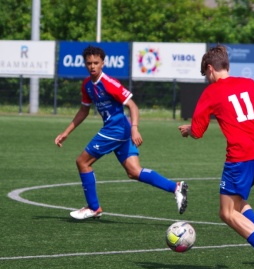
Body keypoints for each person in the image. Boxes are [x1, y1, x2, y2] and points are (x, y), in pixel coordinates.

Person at [178, 45, 254, 269]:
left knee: (227, 213)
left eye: (205, 75)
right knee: (238, 203)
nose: (207, 80)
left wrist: (189, 130)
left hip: (239, 156)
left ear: (210, 68)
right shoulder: (248, 83)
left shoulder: (211, 92)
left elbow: (198, 132)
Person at [55, 45, 188, 220]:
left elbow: (132, 106)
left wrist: (134, 129)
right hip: (118, 129)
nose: (92, 66)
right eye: (89, 63)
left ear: (103, 63)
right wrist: (66, 132)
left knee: (82, 162)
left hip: (117, 129)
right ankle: (176, 187)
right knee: (134, 171)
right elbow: (83, 110)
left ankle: (93, 207)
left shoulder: (110, 83)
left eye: (96, 62)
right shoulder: (87, 85)